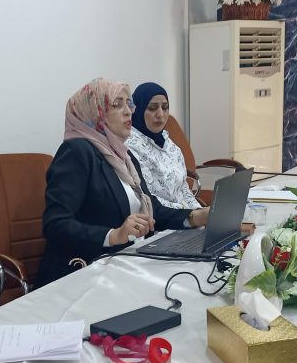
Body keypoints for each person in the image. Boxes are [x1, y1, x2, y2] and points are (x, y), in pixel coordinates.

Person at [37, 78, 209, 287]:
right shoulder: (77, 152)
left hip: (125, 263)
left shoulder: (123, 156)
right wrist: (112, 235)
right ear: (95, 113)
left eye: (129, 104)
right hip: (82, 272)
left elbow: (152, 210)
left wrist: (194, 217)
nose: (128, 112)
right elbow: (55, 224)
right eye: (117, 105)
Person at [126, 82, 202, 210]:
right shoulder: (131, 146)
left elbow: (183, 189)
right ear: (138, 110)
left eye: (165, 107)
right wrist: (190, 214)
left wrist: (200, 211)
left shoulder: (168, 143)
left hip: (184, 216)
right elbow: (148, 199)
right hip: (160, 219)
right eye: (152, 108)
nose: (160, 115)